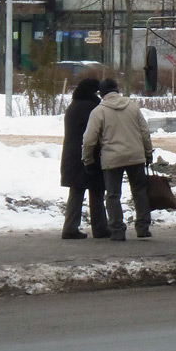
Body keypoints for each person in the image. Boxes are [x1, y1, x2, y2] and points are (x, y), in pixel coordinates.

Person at [82, 78, 154, 241]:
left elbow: (89, 140)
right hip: (136, 156)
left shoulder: (98, 112)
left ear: (101, 93)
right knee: (140, 192)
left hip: (112, 158)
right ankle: (143, 227)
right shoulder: (132, 106)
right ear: (117, 89)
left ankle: (117, 230)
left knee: (113, 195)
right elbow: (145, 132)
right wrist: (148, 153)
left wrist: (88, 160)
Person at [60, 78, 109, 239]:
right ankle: (100, 228)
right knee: (96, 191)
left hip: (71, 155)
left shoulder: (73, 107)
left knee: (76, 191)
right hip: (90, 154)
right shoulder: (93, 107)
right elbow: (97, 133)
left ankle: (70, 227)